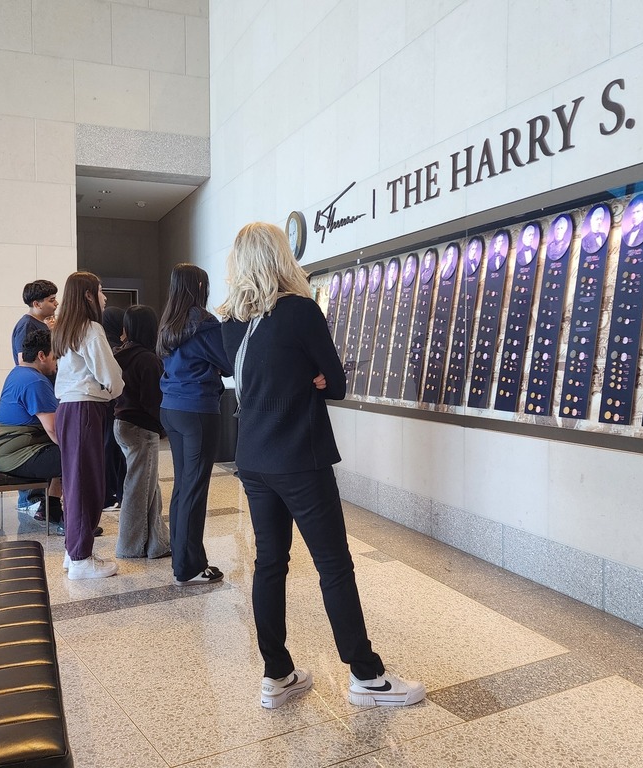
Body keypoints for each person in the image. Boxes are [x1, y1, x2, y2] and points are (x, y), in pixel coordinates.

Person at [218, 222, 426, 710]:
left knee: (269, 563)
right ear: (280, 257)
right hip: (300, 459)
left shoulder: (229, 322)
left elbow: (256, 381)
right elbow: (334, 383)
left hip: (253, 461)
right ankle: (367, 677)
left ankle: (277, 675)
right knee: (333, 565)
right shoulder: (300, 311)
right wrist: (310, 378)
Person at [158, 264, 233, 586]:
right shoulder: (203, 322)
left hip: (171, 408)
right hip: (198, 411)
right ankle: (189, 566)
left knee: (183, 486)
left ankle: (182, 556)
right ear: (199, 285)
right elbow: (230, 364)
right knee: (194, 487)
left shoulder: (169, 323)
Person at [52, 271, 124, 580]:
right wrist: (116, 390)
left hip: (68, 408)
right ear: (87, 296)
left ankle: (74, 551)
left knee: (74, 481)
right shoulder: (91, 328)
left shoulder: (65, 330)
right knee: (86, 483)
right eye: (100, 290)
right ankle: (81, 558)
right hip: (85, 409)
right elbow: (110, 374)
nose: (104, 297)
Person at [0, 327, 64, 533]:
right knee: (77, 457)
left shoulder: (19, 372)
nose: (56, 363)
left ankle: (51, 509)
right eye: (55, 357)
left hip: (5, 450)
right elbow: (54, 430)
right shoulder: (36, 381)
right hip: (15, 455)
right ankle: (75, 520)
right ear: (41, 355)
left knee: (67, 454)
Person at [113, 305, 170, 559]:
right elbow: (153, 401)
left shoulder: (120, 354)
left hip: (122, 424)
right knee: (139, 488)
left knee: (147, 485)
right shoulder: (147, 359)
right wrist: (166, 428)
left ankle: (158, 543)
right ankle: (130, 546)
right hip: (140, 429)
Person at [12, 279, 58, 515]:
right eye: (51, 301)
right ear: (37, 303)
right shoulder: (27, 326)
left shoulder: (42, 324)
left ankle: (45, 498)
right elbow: (24, 360)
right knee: (36, 441)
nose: (56, 304)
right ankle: (30, 500)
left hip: (47, 390)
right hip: (38, 393)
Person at [102, 305, 127, 510]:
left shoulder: (105, 344)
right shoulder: (115, 349)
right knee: (111, 448)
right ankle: (110, 493)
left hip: (104, 405)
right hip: (113, 404)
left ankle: (109, 492)